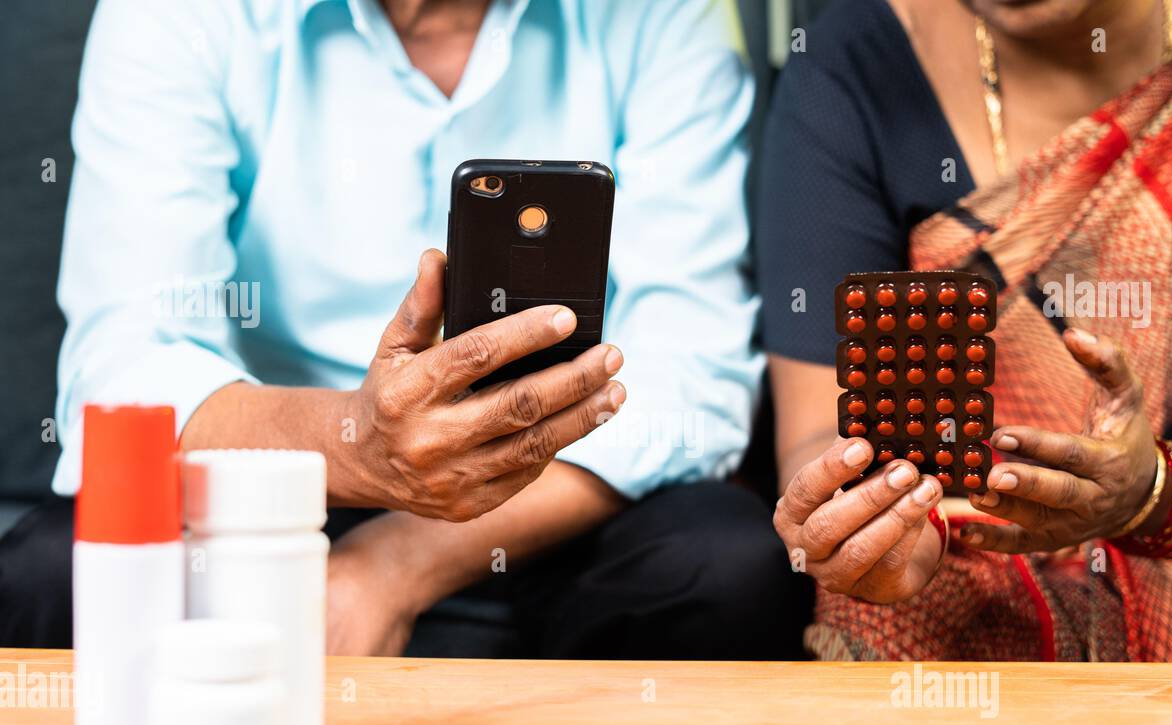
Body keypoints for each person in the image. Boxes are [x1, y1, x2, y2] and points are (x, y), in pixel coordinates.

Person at [0, 0, 810, 659]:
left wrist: (396, 563)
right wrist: (359, 445)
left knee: (727, 566)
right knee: (52, 576)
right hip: (284, 486)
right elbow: (128, 371)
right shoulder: (179, 16)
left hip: (551, 502)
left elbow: (690, 369)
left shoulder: (664, 17)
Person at [759, 0, 1172, 660]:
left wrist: (1156, 489)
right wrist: (873, 526)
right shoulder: (854, 60)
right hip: (953, 559)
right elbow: (821, 432)